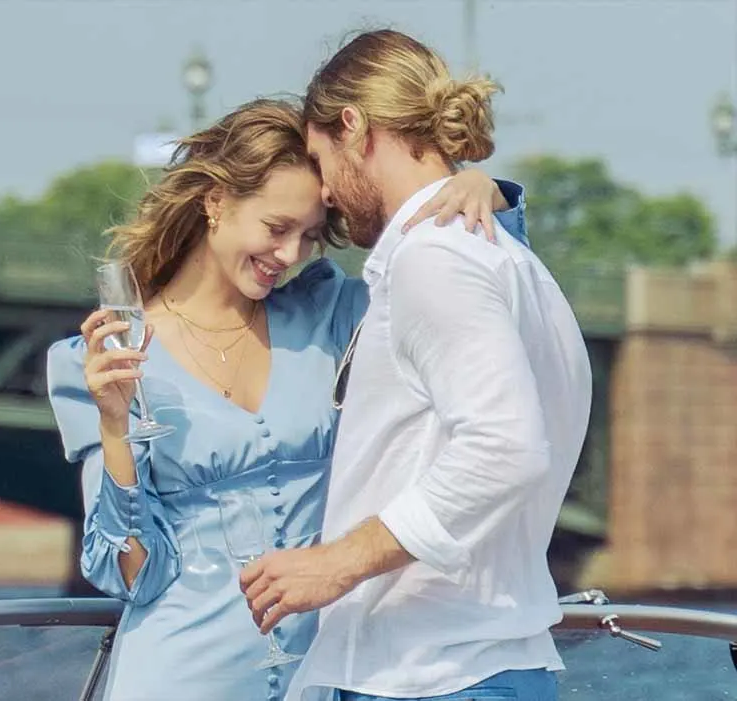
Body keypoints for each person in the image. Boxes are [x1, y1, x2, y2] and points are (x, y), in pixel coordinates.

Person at [47, 98, 529, 701]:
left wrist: (485, 192)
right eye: (277, 229)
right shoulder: (103, 358)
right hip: (178, 677)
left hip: (320, 678)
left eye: (309, 236)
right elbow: (131, 574)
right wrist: (116, 425)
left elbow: (469, 308)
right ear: (216, 202)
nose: (291, 255)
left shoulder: (332, 317)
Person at [240, 30, 593, 701]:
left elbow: (506, 448)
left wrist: (338, 562)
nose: (326, 192)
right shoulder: (515, 264)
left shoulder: (434, 260)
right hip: (481, 665)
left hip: (431, 675)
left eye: (320, 159)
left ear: (354, 128)